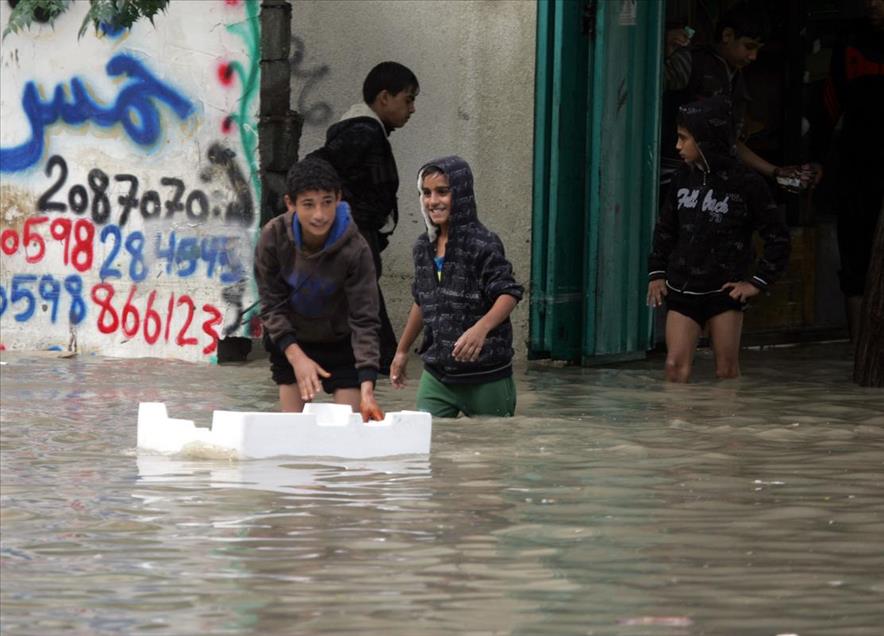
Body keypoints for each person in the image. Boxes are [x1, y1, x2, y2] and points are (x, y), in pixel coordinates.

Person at [647, 97, 791, 383]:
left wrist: (757, 283)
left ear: (707, 140)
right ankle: (675, 426)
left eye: (684, 139)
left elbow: (778, 238)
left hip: (725, 291)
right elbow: (665, 229)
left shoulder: (748, 184)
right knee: (675, 368)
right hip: (683, 288)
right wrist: (657, 273)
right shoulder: (681, 180)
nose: (677, 147)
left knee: (726, 371)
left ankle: (726, 427)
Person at [307, 61, 419, 373]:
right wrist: (347, 215)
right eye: (407, 99)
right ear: (384, 98)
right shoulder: (363, 132)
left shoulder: (368, 131)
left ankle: (370, 365)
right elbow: (316, 165)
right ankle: (382, 366)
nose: (412, 109)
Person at [390, 156, 523, 417]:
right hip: (438, 375)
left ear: (461, 194)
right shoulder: (422, 247)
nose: (433, 201)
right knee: (429, 444)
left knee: (491, 451)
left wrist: (480, 329)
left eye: (442, 192)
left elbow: (508, 293)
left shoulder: (483, 243)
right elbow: (422, 299)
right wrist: (402, 351)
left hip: (486, 375)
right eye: (426, 193)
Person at [254, 157, 383, 421]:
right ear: (290, 203)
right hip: (291, 340)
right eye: (308, 204)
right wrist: (296, 357)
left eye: (327, 202)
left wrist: (368, 385)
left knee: (347, 433)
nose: (319, 215)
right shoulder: (273, 236)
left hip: (340, 342)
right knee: (292, 431)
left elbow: (365, 319)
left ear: (338, 198)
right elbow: (271, 305)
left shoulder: (356, 248)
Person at [662, 1, 804, 187]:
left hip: (703, 182)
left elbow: (728, 141)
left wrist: (774, 171)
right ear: (727, 35)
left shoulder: (735, 81)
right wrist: (665, 49)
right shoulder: (691, 63)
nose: (753, 57)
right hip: (669, 174)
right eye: (749, 46)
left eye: (757, 49)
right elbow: (645, 88)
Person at [818, 0, 884, 345]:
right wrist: (817, 161)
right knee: (855, 263)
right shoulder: (851, 43)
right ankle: (860, 354)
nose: (872, 4)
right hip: (857, 170)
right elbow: (830, 106)